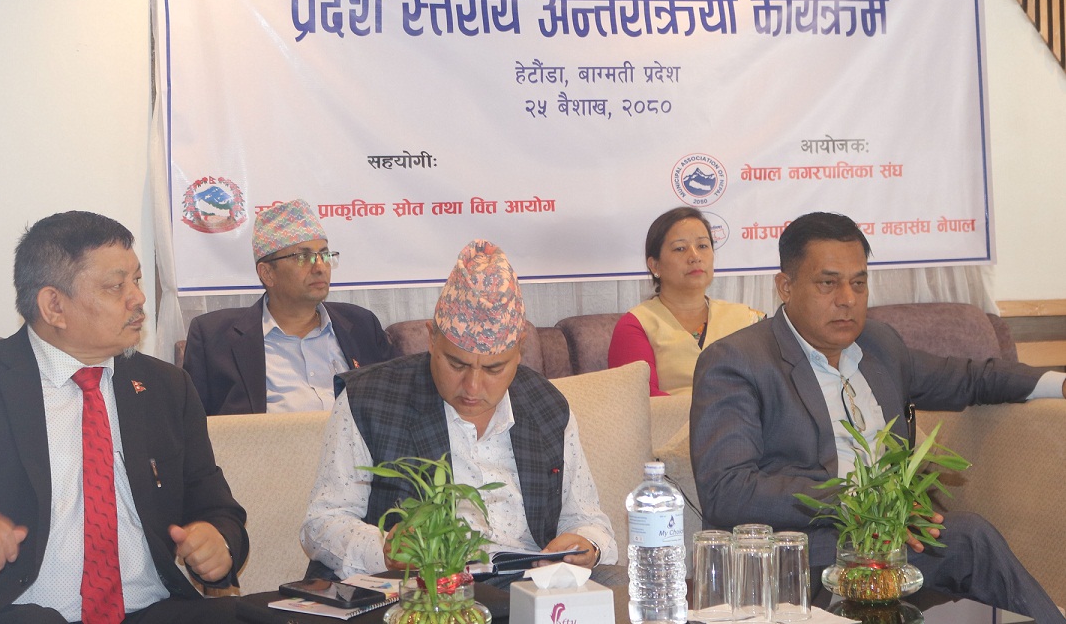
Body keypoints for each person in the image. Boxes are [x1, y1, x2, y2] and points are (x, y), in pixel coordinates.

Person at [0, 211, 249, 624]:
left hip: (149, 610)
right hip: (11, 614)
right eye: (116, 286)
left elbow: (218, 507)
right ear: (54, 305)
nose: (137, 298)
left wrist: (219, 541)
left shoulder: (166, 387)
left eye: (137, 280)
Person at [689, 211, 1066, 621]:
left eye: (859, 283)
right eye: (828, 283)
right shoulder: (738, 361)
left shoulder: (879, 345)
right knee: (970, 536)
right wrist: (859, 501)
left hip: (893, 545)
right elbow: (727, 491)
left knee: (968, 540)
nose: (847, 299)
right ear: (786, 286)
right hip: (803, 558)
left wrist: (1058, 383)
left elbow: (968, 377)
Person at [300, 240, 617, 583]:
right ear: (431, 338)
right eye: (456, 364)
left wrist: (588, 544)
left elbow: (587, 518)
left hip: (531, 589)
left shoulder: (547, 405)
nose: (472, 387)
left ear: (519, 351)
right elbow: (322, 524)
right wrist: (384, 549)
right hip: (425, 592)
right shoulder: (369, 399)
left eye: (494, 369)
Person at [183, 198, 394, 414]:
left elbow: (395, 404)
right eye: (303, 257)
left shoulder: (362, 325)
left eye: (324, 255)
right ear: (267, 274)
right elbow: (193, 423)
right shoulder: (214, 338)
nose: (320, 267)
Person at [608, 207, 764, 395]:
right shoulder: (636, 325)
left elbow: (775, 388)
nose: (695, 257)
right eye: (680, 248)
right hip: (670, 416)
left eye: (703, 246)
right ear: (655, 265)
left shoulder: (749, 320)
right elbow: (638, 401)